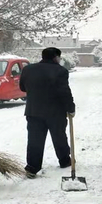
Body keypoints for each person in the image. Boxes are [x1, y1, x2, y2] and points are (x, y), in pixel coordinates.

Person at [19, 47, 75, 177]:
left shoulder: (28, 69)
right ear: (56, 57)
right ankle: (64, 160)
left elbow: (22, 87)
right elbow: (64, 92)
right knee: (59, 136)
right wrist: (70, 108)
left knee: (34, 140)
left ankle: (32, 167)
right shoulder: (60, 71)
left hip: (34, 111)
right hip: (55, 112)